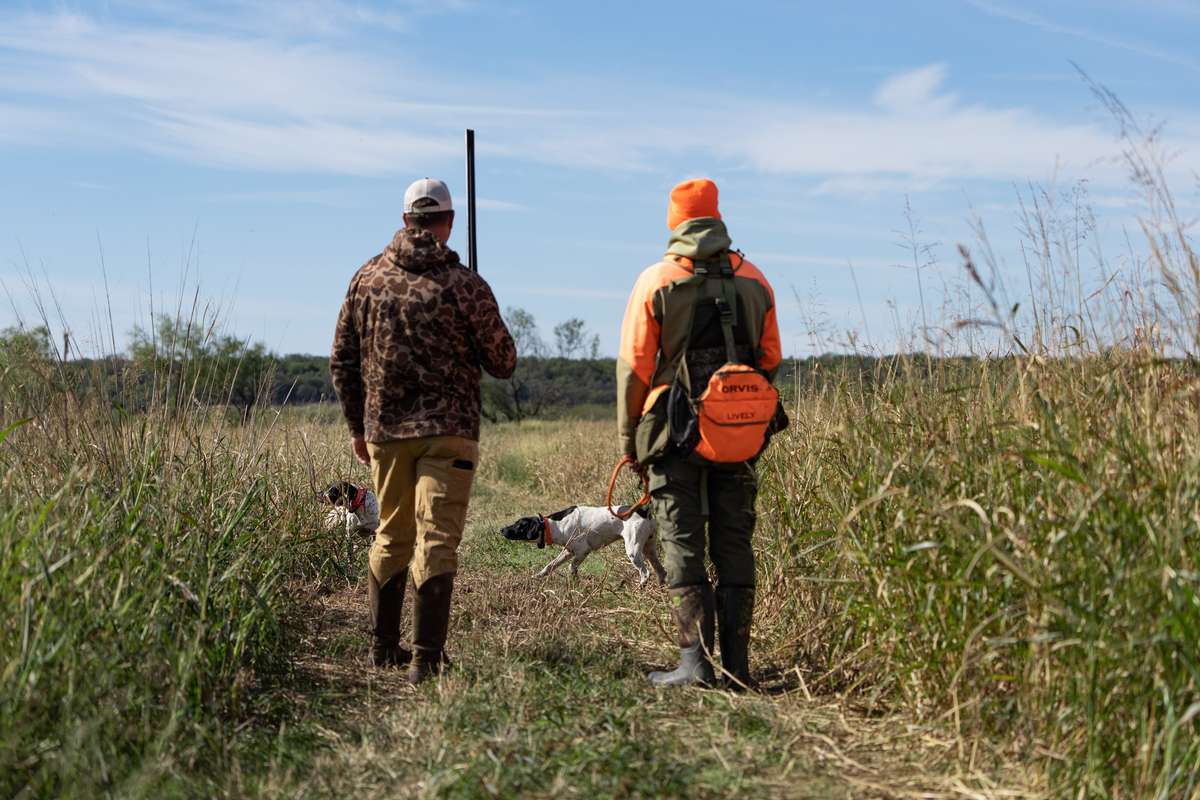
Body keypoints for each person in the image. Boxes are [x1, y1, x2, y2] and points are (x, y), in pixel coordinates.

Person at [330, 178, 516, 684]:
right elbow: (503, 361)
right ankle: (425, 659)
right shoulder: (464, 285)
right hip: (450, 430)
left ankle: (382, 649)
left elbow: (342, 361)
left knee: (392, 533)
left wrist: (357, 427)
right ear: (448, 223)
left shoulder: (366, 279)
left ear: (405, 219)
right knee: (437, 537)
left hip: (385, 431)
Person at [617, 178, 783, 689]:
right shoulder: (755, 280)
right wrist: (738, 410)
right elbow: (771, 361)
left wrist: (630, 440)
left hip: (670, 434)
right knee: (735, 541)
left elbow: (633, 371)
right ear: (717, 218)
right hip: (741, 434)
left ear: (675, 222)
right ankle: (738, 668)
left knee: (682, 543)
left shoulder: (656, 280)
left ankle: (695, 666)